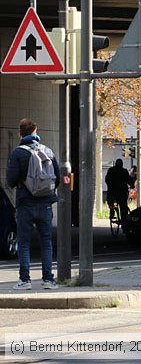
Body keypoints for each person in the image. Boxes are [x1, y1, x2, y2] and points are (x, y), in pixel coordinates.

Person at [6, 118, 60, 290]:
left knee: (23, 242)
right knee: (46, 242)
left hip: (25, 204)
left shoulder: (18, 153)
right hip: (45, 204)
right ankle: (48, 280)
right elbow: (56, 178)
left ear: (20, 134)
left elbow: (11, 180)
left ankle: (25, 280)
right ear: (36, 132)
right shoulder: (48, 151)